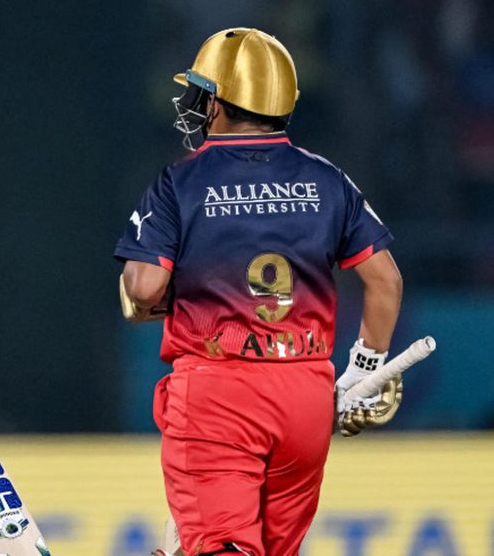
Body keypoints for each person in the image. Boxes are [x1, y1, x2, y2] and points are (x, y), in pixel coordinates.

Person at [115, 28, 405, 556]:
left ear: (222, 101)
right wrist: (362, 372)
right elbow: (385, 281)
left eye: (204, 94)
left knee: (220, 546)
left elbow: (144, 288)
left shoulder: (181, 181)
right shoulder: (327, 178)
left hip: (218, 392)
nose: (198, 106)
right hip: (306, 394)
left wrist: (155, 286)